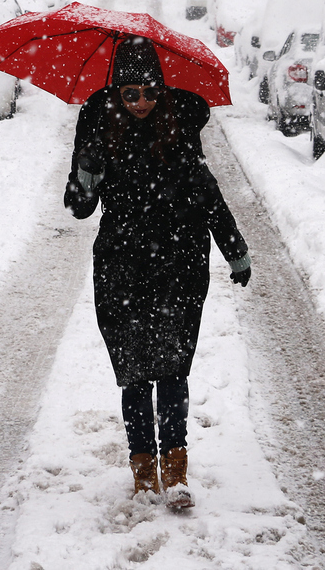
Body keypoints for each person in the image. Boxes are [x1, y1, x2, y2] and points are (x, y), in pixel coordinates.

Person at [64, 37, 251, 510]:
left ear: (161, 89)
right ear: (117, 94)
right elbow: (80, 209)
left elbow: (207, 194)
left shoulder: (180, 127)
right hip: (121, 266)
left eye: (149, 91)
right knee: (133, 373)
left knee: (171, 369)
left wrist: (235, 249)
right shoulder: (97, 130)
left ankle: (176, 471)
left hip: (179, 264)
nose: (142, 102)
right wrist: (85, 176)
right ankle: (143, 471)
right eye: (130, 94)